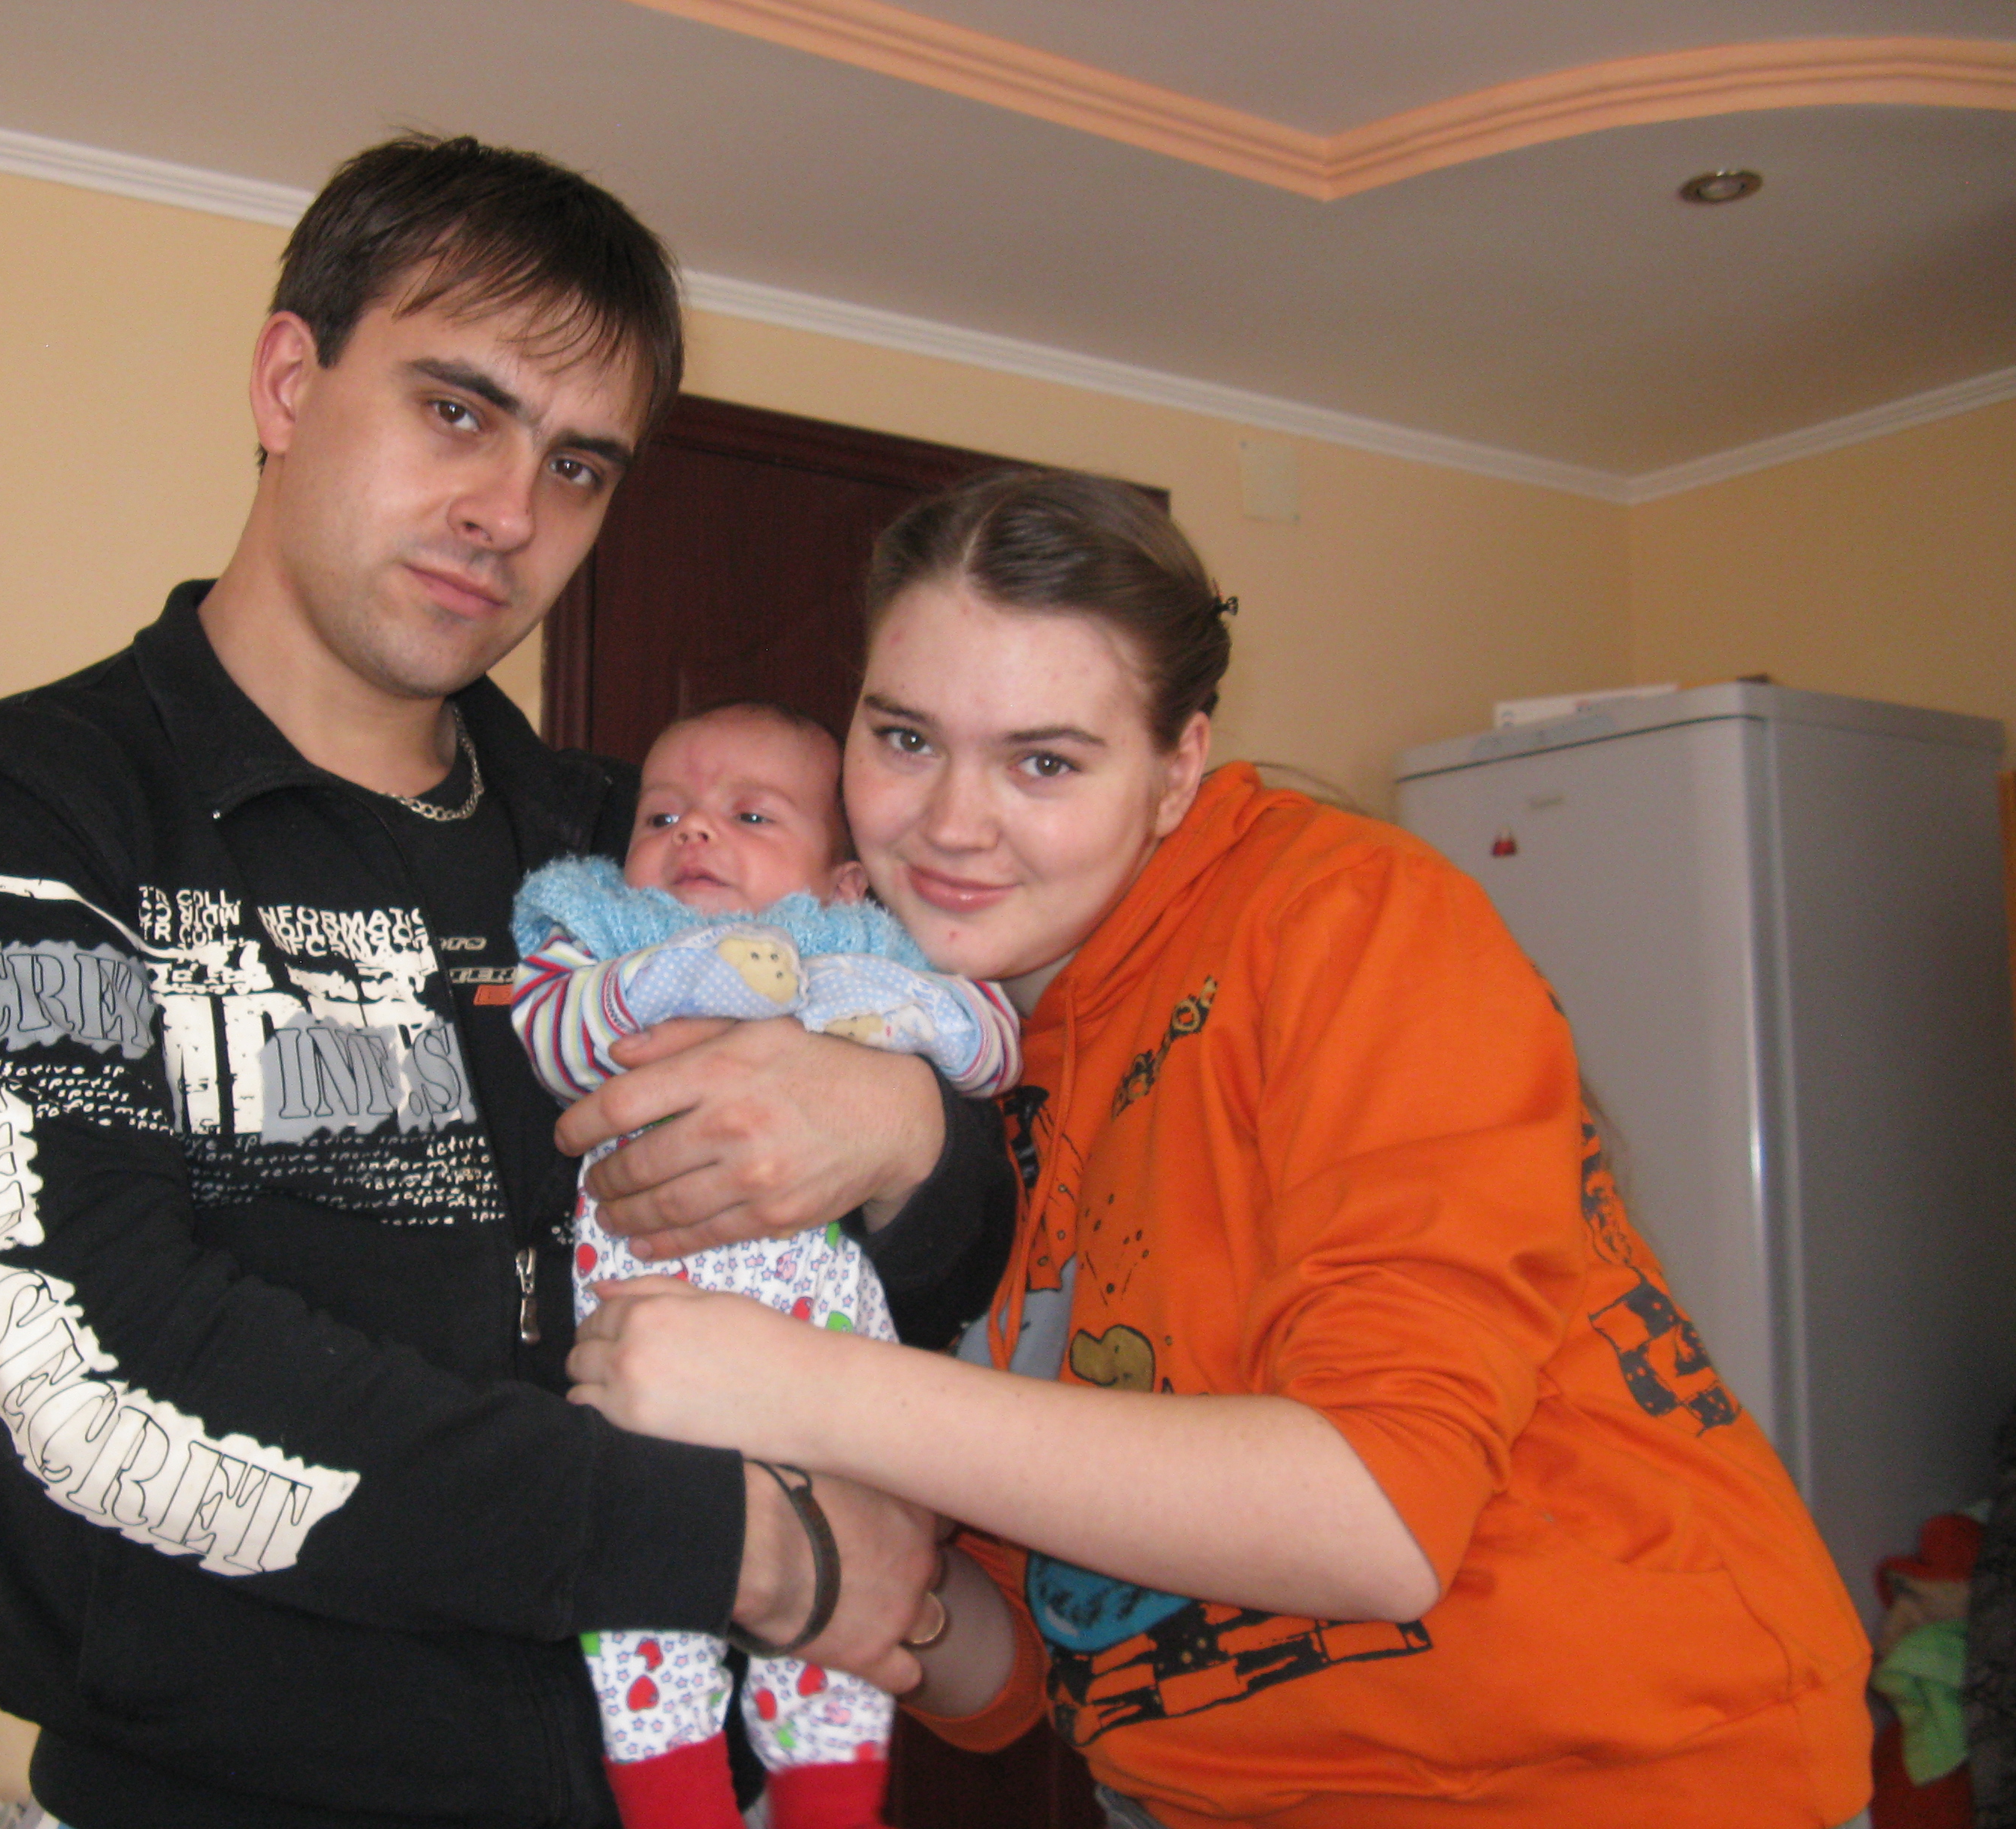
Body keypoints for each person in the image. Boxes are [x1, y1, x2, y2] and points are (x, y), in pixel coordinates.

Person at [0, 137, 1006, 1829]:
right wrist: (746, 1545)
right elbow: (92, 1366)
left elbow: (946, 1243)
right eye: (455, 411)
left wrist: (904, 1131)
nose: (509, 514)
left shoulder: (631, 849)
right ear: (288, 380)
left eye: (576, 465)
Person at [566, 468, 1876, 1828]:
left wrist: (802, 1389)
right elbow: (1026, 1664)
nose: (950, 822)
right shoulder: (938, 1051)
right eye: (903, 738)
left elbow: (1378, 1519)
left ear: (1176, 767)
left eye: (1043, 761)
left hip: (1614, 1782)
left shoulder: (1342, 918)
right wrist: (823, 1570)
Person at [510, 701, 1020, 1829]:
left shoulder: (858, 947)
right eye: (662, 816)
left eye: (750, 816)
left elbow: (988, 1045)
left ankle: (827, 1801)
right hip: (648, 1352)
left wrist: (871, 1020)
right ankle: (675, 1798)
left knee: (840, 1605)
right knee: (645, 1609)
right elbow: (550, 1036)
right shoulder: (602, 929)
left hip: (825, 1350)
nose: (694, 833)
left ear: (841, 882)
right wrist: (678, 975)